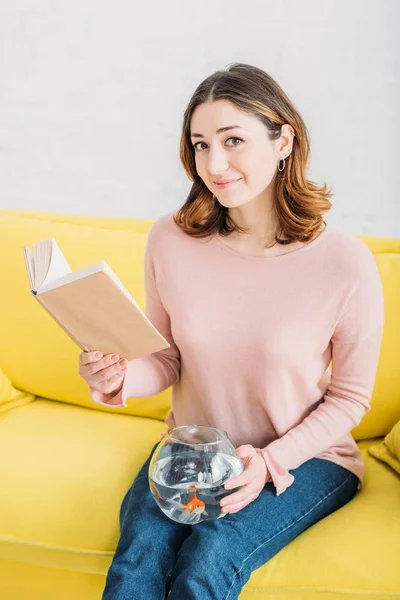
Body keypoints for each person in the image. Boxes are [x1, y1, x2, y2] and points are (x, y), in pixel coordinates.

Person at [79, 62, 385, 600]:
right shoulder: (171, 240)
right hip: (192, 450)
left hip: (307, 459)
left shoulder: (345, 263)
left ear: (284, 140)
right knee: (139, 560)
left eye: (233, 140)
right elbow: (167, 359)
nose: (214, 164)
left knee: (207, 561)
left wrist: (269, 462)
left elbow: (351, 399)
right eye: (200, 145)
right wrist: (120, 377)